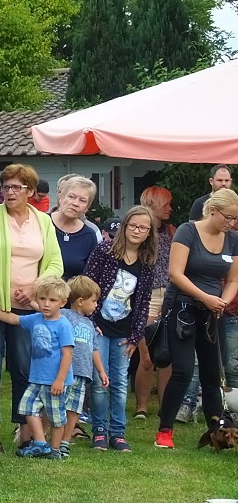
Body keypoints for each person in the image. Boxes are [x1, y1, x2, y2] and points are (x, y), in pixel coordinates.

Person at [0, 163, 64, 454]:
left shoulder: (43, 221)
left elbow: (55, 263)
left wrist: (35, 288)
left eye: (16, 187)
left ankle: (24, 429)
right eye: (5, 186)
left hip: (28, 307)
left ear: (31, 191)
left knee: (22, 368)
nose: (9, 192)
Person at [155, 189, 238, 449]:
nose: (231, 223)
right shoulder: (187, 231)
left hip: (213, 310)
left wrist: (222, 300)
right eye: (228, 217)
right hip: (183, 307)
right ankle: (165, 430)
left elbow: (234, 279)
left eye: (235, 219)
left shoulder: (233, 239)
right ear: (212, 211)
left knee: (213, 376)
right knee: (183, 370)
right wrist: (205, 298)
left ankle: (216, 431)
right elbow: (176, 273)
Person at [83, 206, 156, 453]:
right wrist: (90, 321)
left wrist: (136, 336)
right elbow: (88, 285)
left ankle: (118, 432)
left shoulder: (147, 261)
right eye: (133, 225)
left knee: (120, 382)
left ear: (149, 233)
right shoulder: (105, 251)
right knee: (99, 380)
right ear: (124, 227)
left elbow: (143, 301)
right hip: (100, 326)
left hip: (126, 332)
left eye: (143, 228)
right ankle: (100, 431)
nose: (137, 231)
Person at [0, 275, 74, 459]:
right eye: (42, 299)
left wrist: (60, 380)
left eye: (52, 300)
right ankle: (40, 443)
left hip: (56, 381)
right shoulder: (36, 319)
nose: (46, 304)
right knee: (27, 408)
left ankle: (54, 450)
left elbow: (68, 354)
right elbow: (14, 319)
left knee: (56, 416)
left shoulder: (63, 325)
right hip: (36, 378)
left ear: (62, 302)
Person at [133, 186, 176, 419]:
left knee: (166, 354)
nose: (170, 208)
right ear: (153, 203)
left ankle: (164, 406)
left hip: (168, 295)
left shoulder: (171, 231)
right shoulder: (139, 231)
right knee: (146, 355)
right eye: (166, 203)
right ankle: (141, 406)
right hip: (145, 295)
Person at [59, 276, 109, 458]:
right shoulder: (63, 315)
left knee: (74, 409)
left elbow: (94, 349)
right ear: (80, 301)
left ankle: (65, 441)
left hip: (83, 375)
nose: (96, 305)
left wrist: (101, 371)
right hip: (64, 373)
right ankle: (43, 438)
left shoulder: (90, 325)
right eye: (94, 301)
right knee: (55, 407)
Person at [50, 175, 101, 279]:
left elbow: (90, 277)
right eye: (71, 197)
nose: (75, 203)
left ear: (87, 208)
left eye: (82, 200)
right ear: (61, 198)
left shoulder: (89, 235)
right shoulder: (42, 223)